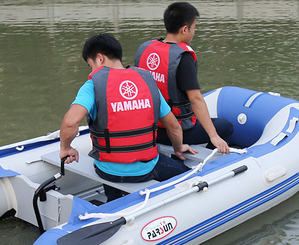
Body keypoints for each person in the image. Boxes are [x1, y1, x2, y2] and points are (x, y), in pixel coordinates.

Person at [60, 33, 198, 202]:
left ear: (100, 58)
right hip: (145, 170)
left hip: (107, 171)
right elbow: (174, 126)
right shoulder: (147, 81)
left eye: (91, 65)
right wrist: (178, 148)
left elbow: (70, 122)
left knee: (109, 163)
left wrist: (65, 148)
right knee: (189, 176)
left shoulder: (92, 85)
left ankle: (113, 199)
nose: (93, 71)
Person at [135, 2, 233, 154]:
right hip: (174, 131)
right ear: (184, 29)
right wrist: (214, 136)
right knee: (226, 126)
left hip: (148, 128)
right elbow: (195, 99)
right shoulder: (183, 56)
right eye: (194, 28)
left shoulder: (145, 48)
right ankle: (208, 162)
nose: (194, 32)